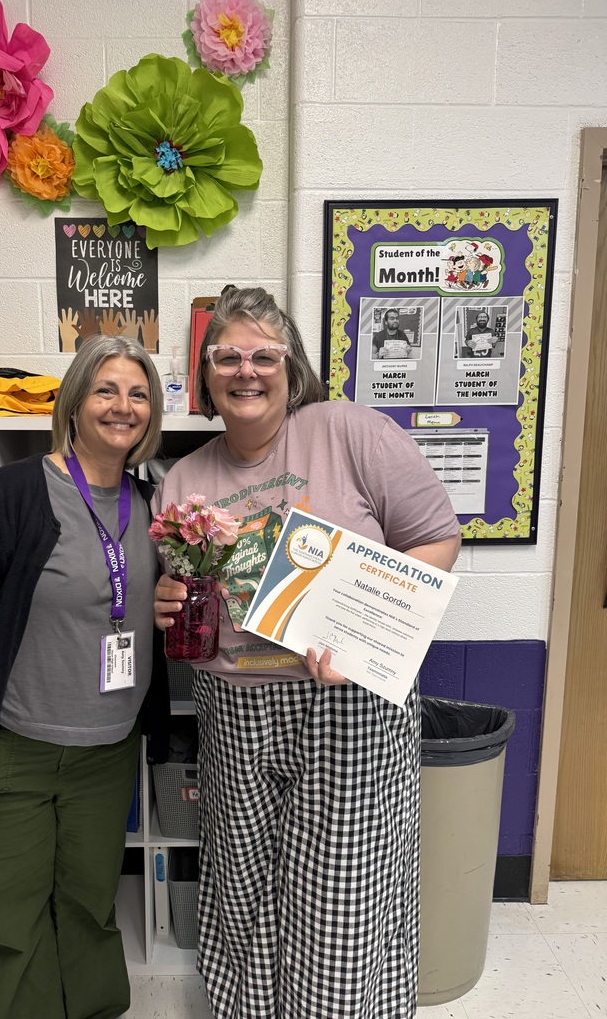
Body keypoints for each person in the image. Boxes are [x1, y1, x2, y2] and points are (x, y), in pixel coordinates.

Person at [153, 287, 461, 1019]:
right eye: (227, 356)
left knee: (342, 893)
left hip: (345, 704)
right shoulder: (184, 480)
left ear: (291, 369)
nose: (246, 370)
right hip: (234, 706)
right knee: (244, 883)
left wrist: (370, 639)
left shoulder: (348, 430)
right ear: (207, 375)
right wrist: (168, 604)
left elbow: (437, 538)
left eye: (265, 354)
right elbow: (182, 599)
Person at [0, 336, 170, 1019]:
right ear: (75, 401)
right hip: (10, 753)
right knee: (10, 921)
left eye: (139, 393)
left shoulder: (156, 508)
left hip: (106, 751)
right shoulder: (10, 496)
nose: (124, 406)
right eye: (106, 389)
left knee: (89, 907)